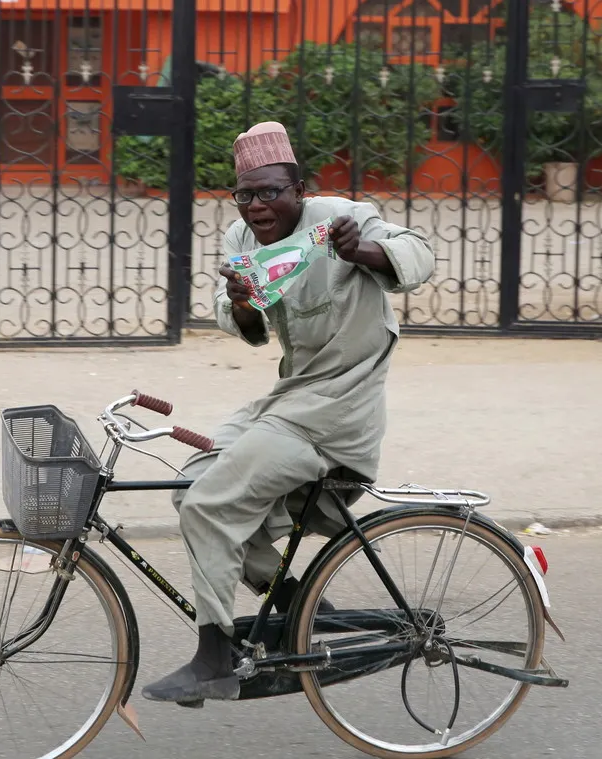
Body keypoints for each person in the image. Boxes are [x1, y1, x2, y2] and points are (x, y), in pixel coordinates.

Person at [140, 121, 437, 705]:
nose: (257, 206)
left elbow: (420, 256)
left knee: (209, 504)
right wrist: (242, 302)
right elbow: (242, 323)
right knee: (189, 488)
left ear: (300, 189)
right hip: (290, 398)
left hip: (339, 410)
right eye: (245, 194)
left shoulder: (343, 217)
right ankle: (298, 603)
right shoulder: (242, 238)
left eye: (271, 192)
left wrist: (360, 251)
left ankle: (214, 660)